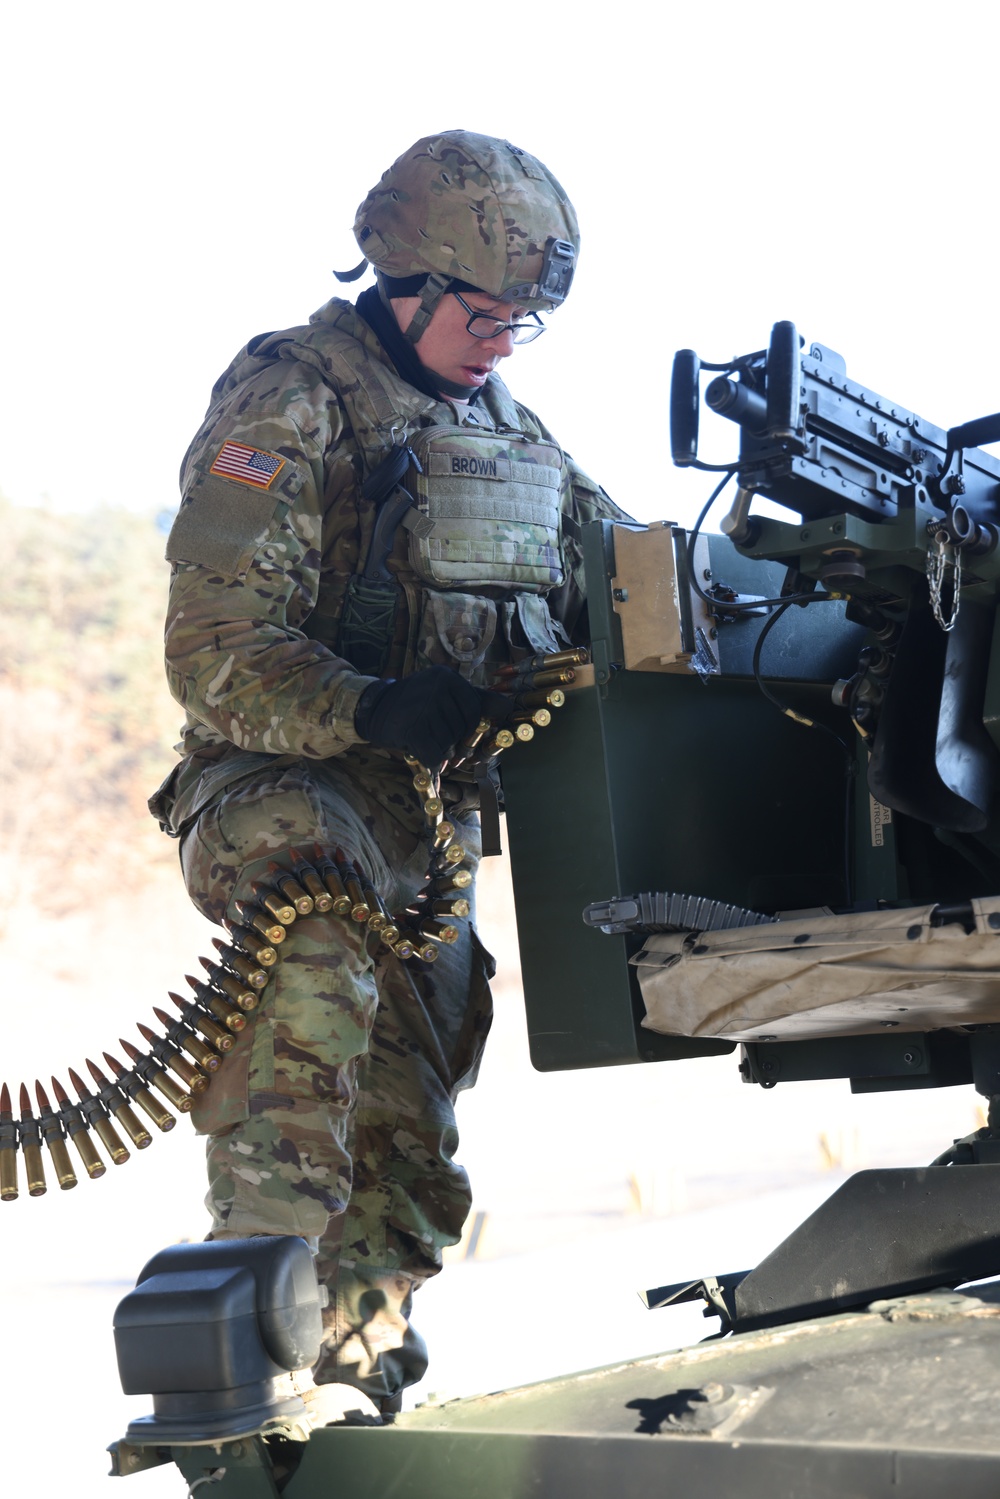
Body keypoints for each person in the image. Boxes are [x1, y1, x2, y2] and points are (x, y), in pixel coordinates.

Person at [150, 130, 628, 1422]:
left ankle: (361, 1376)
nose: (503, 343)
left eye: (526, 322)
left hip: (428, 826)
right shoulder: (293, 396)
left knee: (412, 1120)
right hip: (282, 788)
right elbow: (215, 655)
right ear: (404, 277)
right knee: (314, 998)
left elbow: (628, 577)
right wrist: (372, 706)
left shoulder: (513, 434)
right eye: (487, 314)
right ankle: (242, 1360)